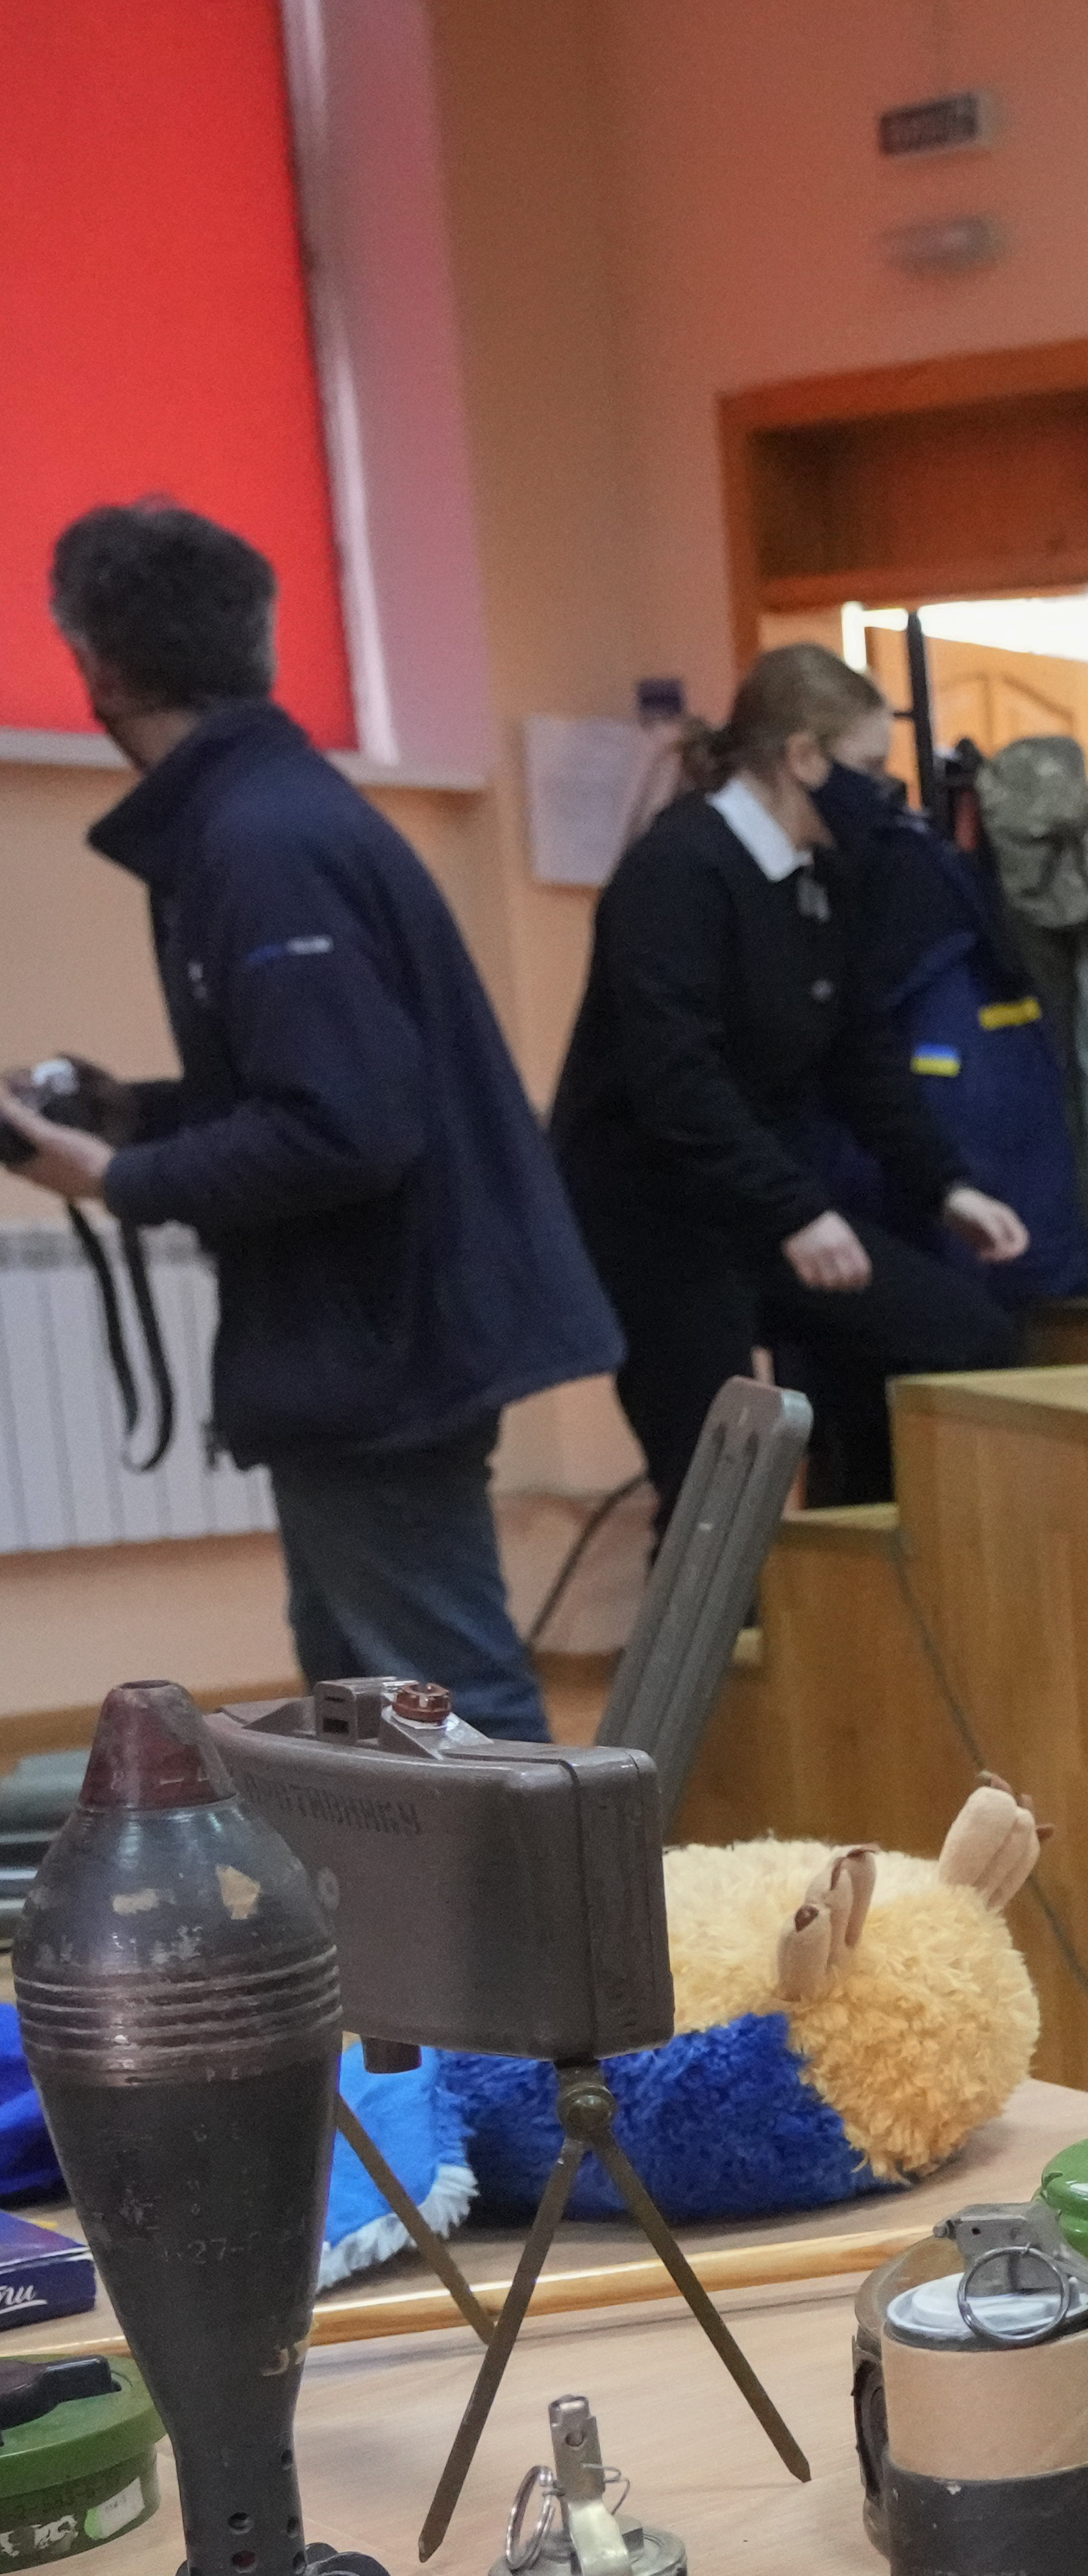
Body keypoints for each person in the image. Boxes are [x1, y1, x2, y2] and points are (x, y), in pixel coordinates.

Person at [4, 502, 615, 1738]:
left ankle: (550, 1937)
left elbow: (349, 1126)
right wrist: (141, 1114)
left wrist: (117, 1180)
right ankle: (421, 1936)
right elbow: (331, 1084)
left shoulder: (260, 841)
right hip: (371, 1333)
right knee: (360, 1695)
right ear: (263, 643)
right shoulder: (269, 816)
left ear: (98, 667)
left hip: (385, 1343)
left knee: (440, 1704)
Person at [548, 645, 1031, 1520]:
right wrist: (797, 1213)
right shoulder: (678, 871)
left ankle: (871, 1603)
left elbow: (856, 1053)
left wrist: (944, 1183)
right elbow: (676, 1080)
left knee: (962, 1341)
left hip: (757, 1199)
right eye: (868, 767)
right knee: (716, 1495)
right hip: (656, 1216)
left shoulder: (820, 877)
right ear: (801, 758)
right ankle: (718, 1652)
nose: (884, 793)